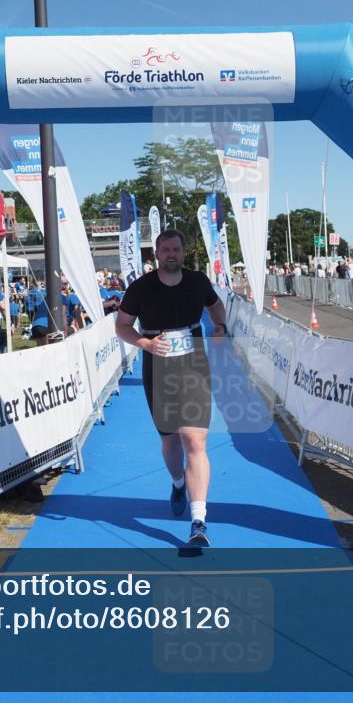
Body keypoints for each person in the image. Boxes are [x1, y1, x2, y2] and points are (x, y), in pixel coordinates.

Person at [115, 230, 228, 548]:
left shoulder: (198, 282)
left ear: (182, 252)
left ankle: (198, 521)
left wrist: (220, 326)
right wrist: (144, 343)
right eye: (165, 249)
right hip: (158, 367)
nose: (171, 254)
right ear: (156, 254)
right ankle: (178, 482)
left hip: (194, 364)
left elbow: (216, 307)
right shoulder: (140, 288)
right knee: (170, 440)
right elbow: (121, 325)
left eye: (176, 249)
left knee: (194, 440)